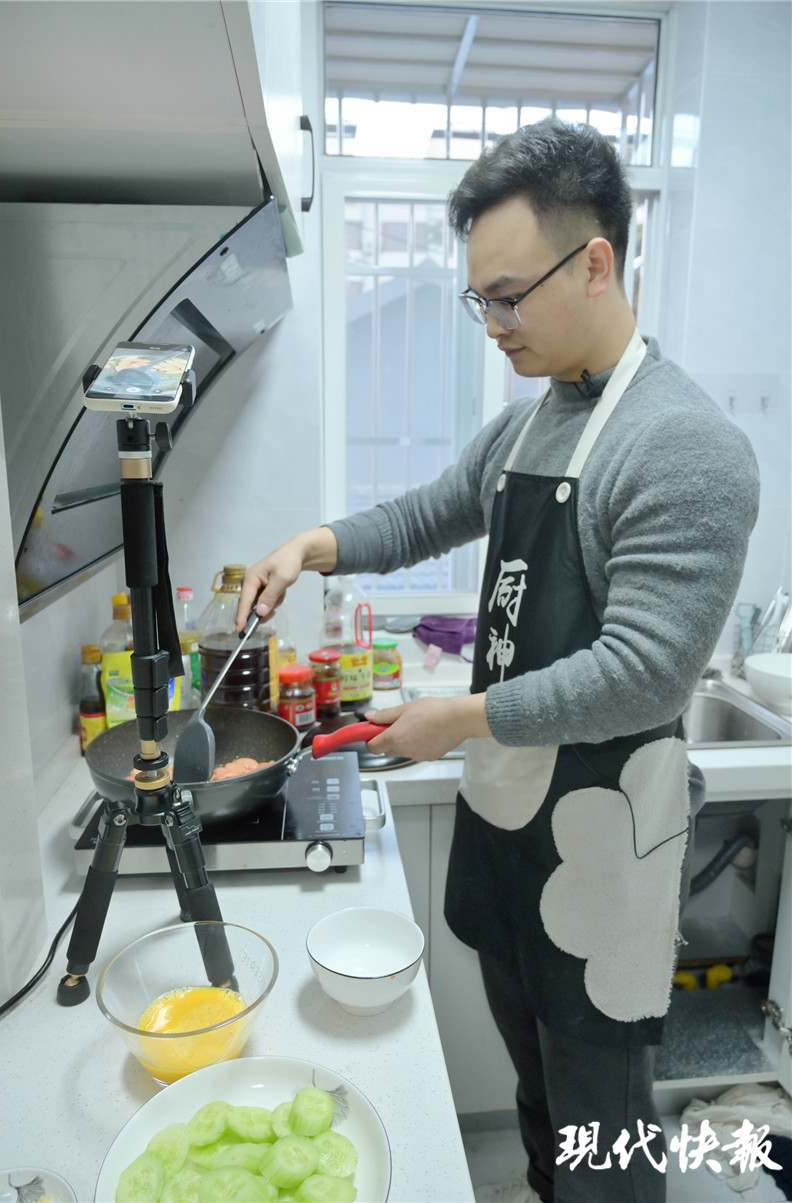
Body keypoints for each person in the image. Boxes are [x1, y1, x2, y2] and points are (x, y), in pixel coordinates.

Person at [237, 118, 760, 1203]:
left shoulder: (682, 445)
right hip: (509, 828)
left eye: (509, 297)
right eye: (479, 299)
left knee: (602, 1123)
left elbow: (643, 673)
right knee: (537, 1095)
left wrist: (460, 715)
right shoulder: (533, 425)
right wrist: (308, 547)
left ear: (596, 263)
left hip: (604, 849)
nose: (493, 325)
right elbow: (422, 514)